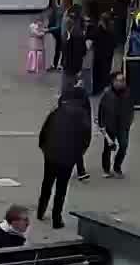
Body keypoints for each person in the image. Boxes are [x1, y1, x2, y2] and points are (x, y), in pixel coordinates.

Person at [37, 86, 93, 229]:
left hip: (51, 154)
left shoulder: (57, 111)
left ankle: (40, 211)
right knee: (61, 189)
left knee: (47, 183)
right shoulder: (83, 115)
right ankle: (56, 219)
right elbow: (85, 138)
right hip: (68, 157)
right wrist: (78, 155)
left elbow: (45, 130)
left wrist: (44, 148)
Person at [97, 71, 134, 177]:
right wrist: (102, 126)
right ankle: (106, 169)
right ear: (113, 81)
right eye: (119, 80)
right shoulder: (107, 95)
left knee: (123, 146)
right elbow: (101, 111)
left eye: (123, 80)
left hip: (123, 126)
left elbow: (131, 108)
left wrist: (129, 121)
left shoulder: (128, 93)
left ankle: (117, 167)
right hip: (110, 126)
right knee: (107, 149)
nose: (121, 83)